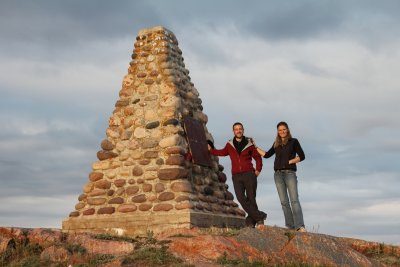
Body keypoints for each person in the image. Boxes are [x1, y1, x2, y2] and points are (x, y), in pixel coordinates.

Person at [208, 122, 267, 227]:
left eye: (240, 129)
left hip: (249, 174)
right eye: (236, 129)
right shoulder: (230, 144)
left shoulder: (249, 144)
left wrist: (258, 170)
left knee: (251, 198)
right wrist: (211, 151)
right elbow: (222, 152)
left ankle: (251, 222)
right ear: (233, 131)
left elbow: (258, 157)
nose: (238, 130)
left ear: (243, 130)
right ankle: (260, 216)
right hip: (236, 176)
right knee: (240, 198)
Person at [253, 121, 306, 232]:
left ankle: (300, 226)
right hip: (277, 175)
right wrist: (255, 146)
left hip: (290, 173)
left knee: (294, 200)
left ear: (287, 130)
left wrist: (290, 161)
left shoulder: (293, 141)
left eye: (284, 129)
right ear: (277, 132)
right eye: (280, 130)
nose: (282, 131)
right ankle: (291, 227)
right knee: (284, 202)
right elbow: (267, 155)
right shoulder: (276, 143)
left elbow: (302, 156)